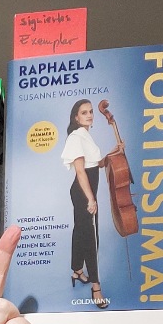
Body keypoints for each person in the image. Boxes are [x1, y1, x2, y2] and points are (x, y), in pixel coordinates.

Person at [61, 98, 110, 309]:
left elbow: (95, 164)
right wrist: (91, 199)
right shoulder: (75, 137)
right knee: (91, 237)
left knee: (80, 231)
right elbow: (81, 172)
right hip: (83, 193)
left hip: (86, 191)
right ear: (76, 117)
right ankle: (96, 286)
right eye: (84, 112)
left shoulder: (85, 135)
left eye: (91, 111)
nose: (89, 115)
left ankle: (77, 270)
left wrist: (114, 152)